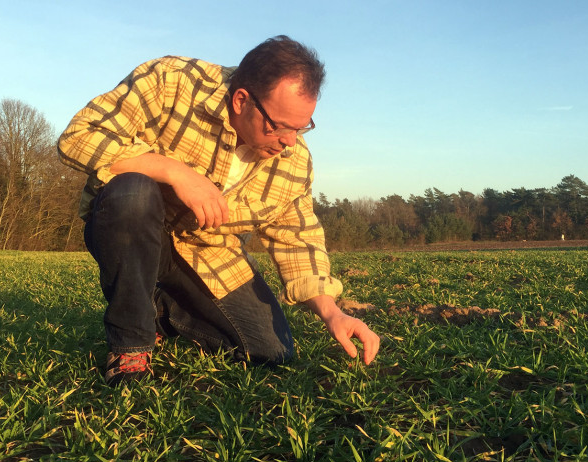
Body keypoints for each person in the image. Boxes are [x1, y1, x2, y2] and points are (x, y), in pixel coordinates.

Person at [58, 35, 380, 386]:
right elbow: (79, 136)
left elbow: (297, 237)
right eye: (279, 126)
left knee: (272, 350)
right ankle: (130, 344)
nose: (289, 141)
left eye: (301, 127)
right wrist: (174, 172)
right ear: (241, 100)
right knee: (133, 191)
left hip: (206, 252)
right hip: (129, 224)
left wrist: (332, 313)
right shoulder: (171, 81)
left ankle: (159, 309)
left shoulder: (294, 160)